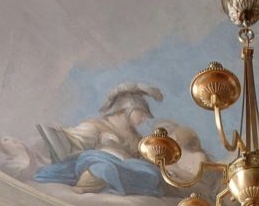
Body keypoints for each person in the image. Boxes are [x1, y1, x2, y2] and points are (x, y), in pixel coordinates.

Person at [33, 83, 166, 196]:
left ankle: (101, 177)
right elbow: (75, 139)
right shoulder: (96, 126)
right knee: (101, 164)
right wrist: (60, 133)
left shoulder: (137, 138)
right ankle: (93, 179)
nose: (144, 119)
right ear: (127, 109)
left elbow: (143, 160)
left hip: (127, 171)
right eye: (142, 113)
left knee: (151, 173)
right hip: (100, 162)